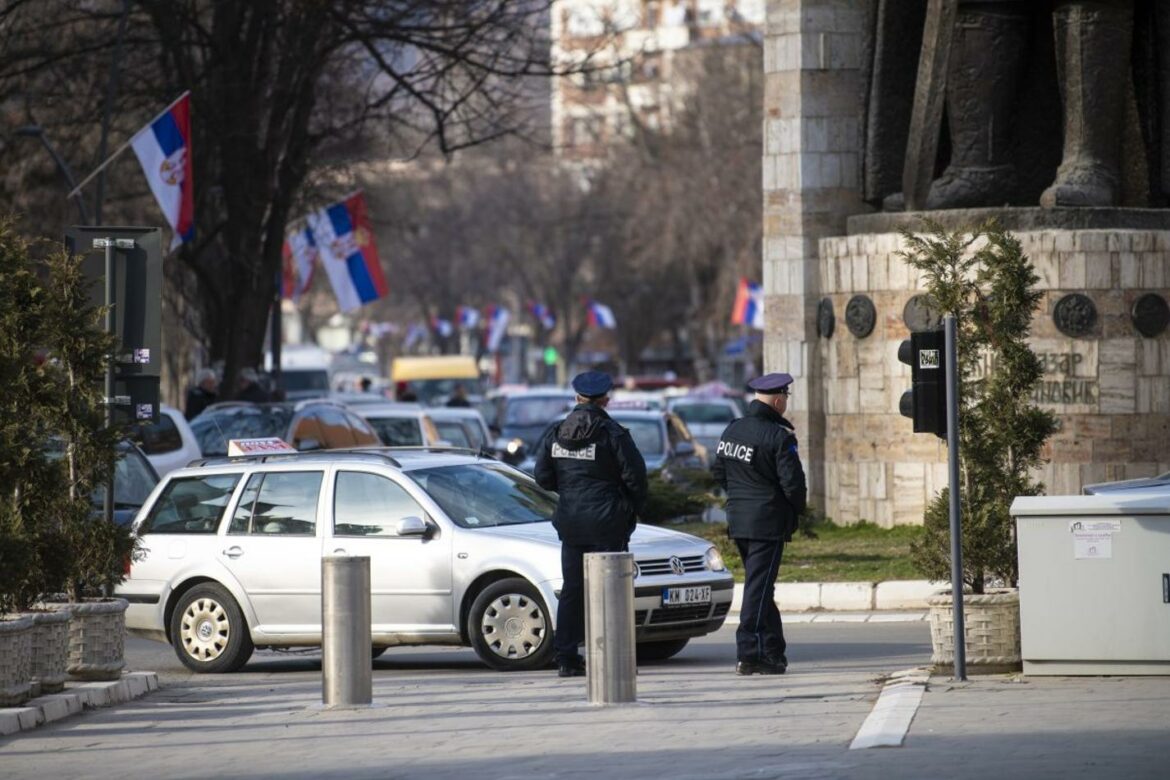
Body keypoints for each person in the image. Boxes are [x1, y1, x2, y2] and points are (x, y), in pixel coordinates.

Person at [534, 370, 648, 677]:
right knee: (612, 590)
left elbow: (542, 477)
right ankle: (612, 656)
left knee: (572, 590)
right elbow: (636, 478)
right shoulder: (613, 434)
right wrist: (629, 509)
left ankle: (567, 657)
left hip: (571, 523)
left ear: (577, 398)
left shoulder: (557, 432)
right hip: (609, 522)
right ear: (605, 400)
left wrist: (571, 493)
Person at [712, 372, 807, 676]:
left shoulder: (732, 431)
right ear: (778, 400)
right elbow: (793, 485)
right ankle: (749, 652)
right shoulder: (779, 437)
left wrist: (740, 500)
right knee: (758, 589)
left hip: (739, 521)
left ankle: (773, 651)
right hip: (767, 522)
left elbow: (719, 474)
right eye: (786, 399)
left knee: (761, 587)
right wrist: (795, 512)